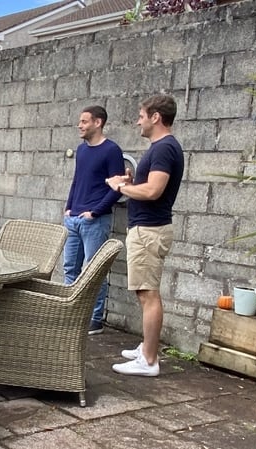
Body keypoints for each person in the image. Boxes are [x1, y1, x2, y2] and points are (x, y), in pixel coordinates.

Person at [106, 94, 184, 377]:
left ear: (156, 117)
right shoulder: (161, 148)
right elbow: (149, 185)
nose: (137, 120)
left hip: (149, 231)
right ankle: (146, 349)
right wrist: (131, 181)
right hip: (147, 229)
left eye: (141, 114)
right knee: (145, 292)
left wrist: (119, 187)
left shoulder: (164, 148)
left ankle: (149, 360)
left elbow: (153, 191)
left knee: (148, 294)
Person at [63, 105, 125, 336]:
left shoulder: (111, 151)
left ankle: (94, 319)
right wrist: (69, 208)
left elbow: (117, 188)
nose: (80, 125)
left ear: (98, 123)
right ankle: (72, 312)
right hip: (73, 219)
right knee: (70, 268)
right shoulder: (81, 150)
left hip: (94, 222)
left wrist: (95, 212)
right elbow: (77, 181)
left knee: (93, 270)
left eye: (84, 121)